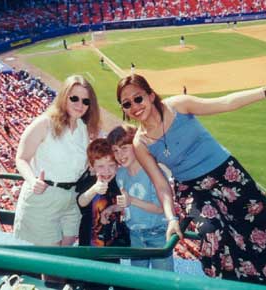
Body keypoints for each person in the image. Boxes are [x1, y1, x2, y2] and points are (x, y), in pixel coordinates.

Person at [115, 67, 266, 289]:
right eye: (127, 103)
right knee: (214, 234)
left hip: (228, 176)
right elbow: (161, 186)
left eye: (138, 98)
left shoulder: (178, 105)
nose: (134, 106)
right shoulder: (140, 143)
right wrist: (171, 218)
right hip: (193, 190)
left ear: (150, 95)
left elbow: (225, 102)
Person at [14, 75, 101, 246]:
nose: (80, 105)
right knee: (51, 261)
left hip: (71, 199)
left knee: (63, 257)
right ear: (64, 97)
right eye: (74, 98)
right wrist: (32, 181)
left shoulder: (84, 130)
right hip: (44, 197)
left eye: (85, 101)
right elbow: (21, 158)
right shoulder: (45, 123)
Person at [107, 124, 174, 271]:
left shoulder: (152, 172)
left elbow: (160, 208)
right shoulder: (120, 174)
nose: (120, 155)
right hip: (135, 234)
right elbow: (129, 203)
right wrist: (114, 207)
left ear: (136, 146)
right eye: (115, 151)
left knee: (163, 281)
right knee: (138, 279)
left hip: (157, 233)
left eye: (124, 148)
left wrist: (131, 200)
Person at [76, 138, 130, 248]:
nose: (107, 171)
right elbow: (81, 201)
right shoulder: (90, 180)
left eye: (111, 165)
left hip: (112, 242)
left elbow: (123, 206)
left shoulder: (118, 181)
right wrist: (94, 189)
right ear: (92, 167)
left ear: (117, 165)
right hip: (89, 243)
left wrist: (116, 207)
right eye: (100, 166)